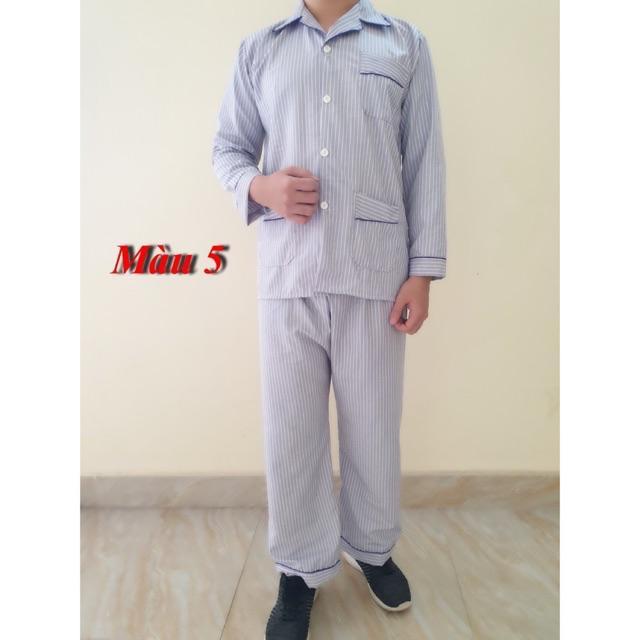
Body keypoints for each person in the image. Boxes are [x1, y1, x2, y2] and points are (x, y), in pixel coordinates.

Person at [212, 0, 446, 637]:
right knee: (291, 431)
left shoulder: (403, 44)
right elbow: (228, 149)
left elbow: (424, 159)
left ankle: (371, 548)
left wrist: (423, 271)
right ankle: (299, 569)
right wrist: (262, 188)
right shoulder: (260, 49)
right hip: (288, 276)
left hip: (377, 274)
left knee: (374, 426)